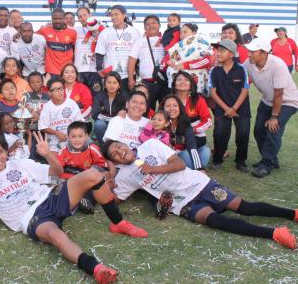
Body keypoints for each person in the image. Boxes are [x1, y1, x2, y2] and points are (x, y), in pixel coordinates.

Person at [0, 133, 146, 283]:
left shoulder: (20, 164)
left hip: (49, 196)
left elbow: (57, 170)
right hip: (32, 218)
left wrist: (48, 154)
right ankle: (96, 268)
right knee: (55, 234)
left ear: (6, 152)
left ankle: (118, 222)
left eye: (0, 151)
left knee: (93, 175)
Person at [102, 138, 298, 251]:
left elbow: (180, 164)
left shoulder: (150, 145)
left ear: (125, 144)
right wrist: (103, 186)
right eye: (114, 154)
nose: (119, 152)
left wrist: (153, 169)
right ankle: (274, 233)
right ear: (115, 161)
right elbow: (115, 200)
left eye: (119, 147)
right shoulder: (125, 176)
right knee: (216, 221)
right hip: (182, 203)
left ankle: (292, 214)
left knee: (243, 207)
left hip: (200, 184)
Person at [243, 38, 298, 178]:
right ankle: (272, 160)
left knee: (273, 130)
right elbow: (238, 72)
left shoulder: (278, 65)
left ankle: (266, 164)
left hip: (287, 101)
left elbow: (279, 93)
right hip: (267, 100)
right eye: (249, 51)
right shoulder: (249, 63)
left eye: (252, 52)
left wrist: (274, 117)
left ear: (264, 53)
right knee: (258, 130)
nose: (249, 54)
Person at [209, 39, 250, 172]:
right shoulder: (214, 70)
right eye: (217, 51)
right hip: (222, 107)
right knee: (221, 133)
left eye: (222, 51)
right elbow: (213, 93)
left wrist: (234, 108)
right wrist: (227, 108)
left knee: (243, 134)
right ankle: (217, 159)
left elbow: (245, 90)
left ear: (231, 54)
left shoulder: (241, 68)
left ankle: (241, 161)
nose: (218, 53)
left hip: (241, 107)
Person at [58, 121, 106, 213]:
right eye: (73, 136)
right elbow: (59, 167)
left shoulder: (92, 148)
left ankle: (85, 202)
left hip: (86, 178)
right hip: (70, 178)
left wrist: (91, 172)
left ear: (86, 136)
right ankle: (71, 201)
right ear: (68, 137)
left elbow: (102, 164)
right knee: (64, 189)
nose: (77, 139)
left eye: (80, 136)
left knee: (94, 188)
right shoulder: (64, 150)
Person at [95, 5, 142, 93]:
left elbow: (138, 56)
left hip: (128, 76)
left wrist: (136, 74)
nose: (113, 17)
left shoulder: (135, 32)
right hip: (111, 76)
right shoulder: (105, 33)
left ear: (124, 15)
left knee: (127, 102)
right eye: (111, 15)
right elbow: (99, 53)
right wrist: (99, 68)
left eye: (116, 14)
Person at [128, 15, 169, 109]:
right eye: (148, 24)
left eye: (154, 23)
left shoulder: (167, 40)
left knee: (167, 112)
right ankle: (149, 125)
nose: (151, 26)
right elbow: (132, 60)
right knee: (146, 112)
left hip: (165, 83)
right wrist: (131, 79)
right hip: (147, 84)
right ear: (144, 27)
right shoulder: (140, 41)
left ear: (159, 25)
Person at [160, 95, 206, 170]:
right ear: (163, 109)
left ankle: (197, 171)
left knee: (205, 151)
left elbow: (192, 148)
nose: (171, 109)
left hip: (181, 152)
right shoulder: (158, 124)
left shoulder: (186, 125)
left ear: (180, 108)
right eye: (168, 106)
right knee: (186, 155)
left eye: (175, 105)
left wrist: (200, 168)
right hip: (166, 157)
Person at [166, 23, 213, 96]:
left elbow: (206, 61)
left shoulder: (201, 43)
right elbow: (168, 61)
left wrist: (185, 65)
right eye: (181, 32)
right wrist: (169, 63)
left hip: (195, 87)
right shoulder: (177, 46)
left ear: (193, 33)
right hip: (177, 88)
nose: (182, 34)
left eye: (185, 32)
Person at [38, 78, 84, 153]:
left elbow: (80, 122)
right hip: (54, 143)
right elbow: (43, 127)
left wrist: (70, 136)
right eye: (56, 89)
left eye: (61, 88)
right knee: (57, 163)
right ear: (49, 93)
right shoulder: (47, 107)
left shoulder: (71, 103)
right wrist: (56, 133)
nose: (60, 91)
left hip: (74, 141)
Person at [92, 71, 127, 145]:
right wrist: (113, 118)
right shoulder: (99, 96)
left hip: (118, 124)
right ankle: (103, 146)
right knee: (99, 124)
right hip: (104, 123)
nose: (111, 85)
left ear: (119, 85)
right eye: (109, 82)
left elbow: (127, 109)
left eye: (114, 83)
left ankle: (117, 145)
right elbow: (95, 114)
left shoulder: (124, 96)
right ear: (104, 84)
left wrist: (124, 110)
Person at [75, 8, 103, 96]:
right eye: (80, 16)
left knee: (97, 96)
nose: (83, 18)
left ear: (89, 15)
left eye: (85, 15)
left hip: (95, 69)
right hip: (79, 70)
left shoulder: (100, 28)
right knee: (81, 97)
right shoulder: (75, 30)